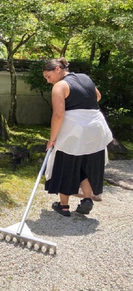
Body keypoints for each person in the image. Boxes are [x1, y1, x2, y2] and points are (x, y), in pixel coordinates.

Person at [43, 58, 112, 216]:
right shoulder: (84, 78)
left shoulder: (59, 86)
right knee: (85, 164)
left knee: (66, 164)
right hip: (96, 127)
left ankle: (63, 205)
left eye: (48, 76)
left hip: (75, 129)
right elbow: (98, 96)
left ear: (58, 70)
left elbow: (58, 114)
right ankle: (87, 199)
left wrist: (52, 139)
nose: (48, 81)